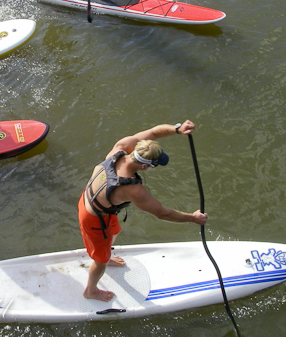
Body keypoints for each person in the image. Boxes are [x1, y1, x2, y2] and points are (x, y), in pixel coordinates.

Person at [78, 120, 208, 302]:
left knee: (115, 230)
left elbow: (154, 133)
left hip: (92, 200)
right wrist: (193, 218)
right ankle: (90, 290)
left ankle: (106, 257)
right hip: (92, 218)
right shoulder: (133, 190)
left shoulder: (121, 147)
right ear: (145, 166)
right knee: (99, 261)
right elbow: (162, 213)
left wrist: (177, 129)